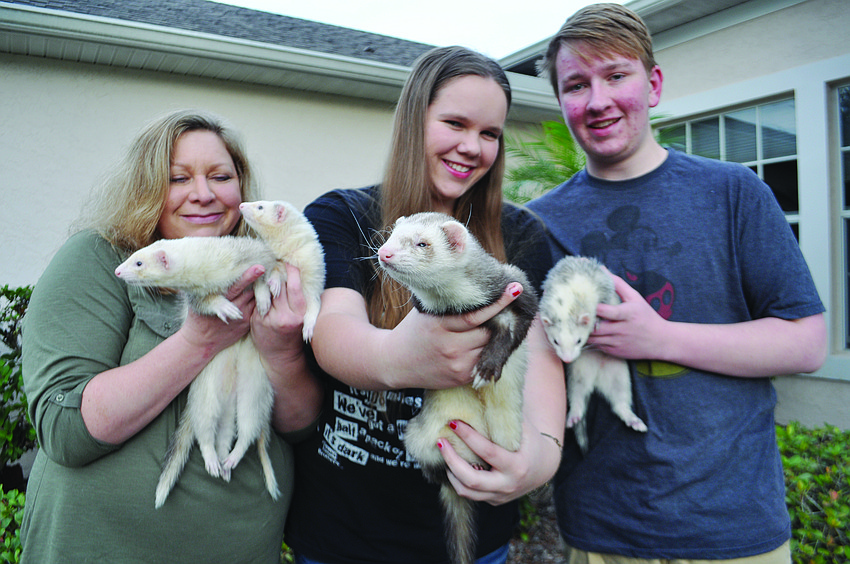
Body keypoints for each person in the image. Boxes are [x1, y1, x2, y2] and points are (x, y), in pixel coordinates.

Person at [528, 3, 827, 563]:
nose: (597, 100)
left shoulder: (733, 192)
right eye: (576, 84)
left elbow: (806, 341)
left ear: (654, 84)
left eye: (616, 75)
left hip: (733, 529)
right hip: (602, 532)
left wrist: (657, 338)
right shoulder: (539, 220)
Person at [284, 46, 566, 564]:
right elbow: (333, 330)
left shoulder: (522, 235)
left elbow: (542, 365)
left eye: (489, 133)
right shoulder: (342, 214)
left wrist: (538, 460)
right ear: (415, 119)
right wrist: (396, 357)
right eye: (455, 122)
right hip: (344, 535)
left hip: (478, 538)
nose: (472, 147)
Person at [20, 109, 323, 563]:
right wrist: (199, 341)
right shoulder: (102, 260)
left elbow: (299, 427)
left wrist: (282, 351)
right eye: (178, 178)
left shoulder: (266, 266)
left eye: (220, 176)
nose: (203, 195)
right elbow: (65, 431)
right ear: (146, 188)